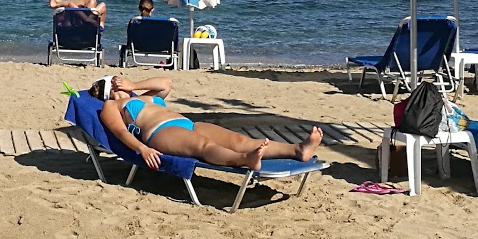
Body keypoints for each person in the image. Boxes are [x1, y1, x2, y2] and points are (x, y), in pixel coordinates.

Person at [90, 74, 322, 172]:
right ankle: (245, 160)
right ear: (111, 89)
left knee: (240, 140)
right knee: (204, 147)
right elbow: (120, 133)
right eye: (118, 82)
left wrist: (134, 86)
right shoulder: (111, 107)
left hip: (187, 123)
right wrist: (142, 148)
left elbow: (166, 83)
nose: (122, 83)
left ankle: (297, 150)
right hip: (160, 133)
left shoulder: (142, 96)